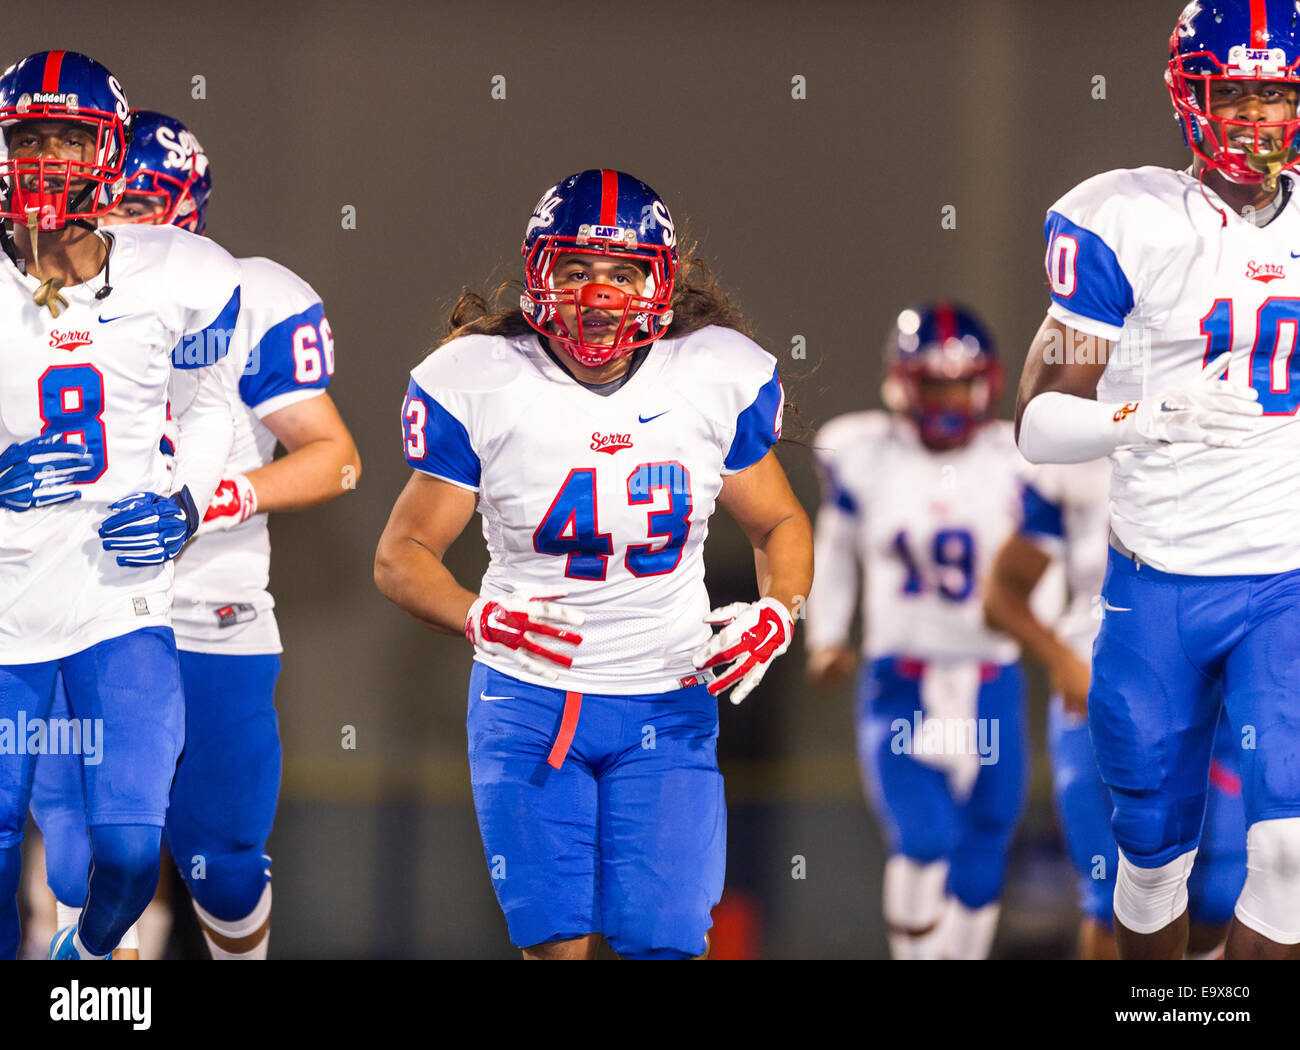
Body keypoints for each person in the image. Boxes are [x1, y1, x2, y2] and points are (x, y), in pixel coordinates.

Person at [374, 169, 811, 959]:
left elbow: (779, 520)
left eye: (622, 272)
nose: (598, 294)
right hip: (529, 696)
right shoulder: (482, 380)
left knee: (665, 942)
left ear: (660, 282)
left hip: (668, 696)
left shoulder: (714, 375)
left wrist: (781, 610)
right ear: (538, 274)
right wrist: (480, 615)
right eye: (575, 270)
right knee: (557, 947)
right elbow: (400, 556)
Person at [28, 109, 361, 960]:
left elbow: (335, 459)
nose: (120, 221)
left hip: (210, 610)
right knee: (85, 864)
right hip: (83, 607)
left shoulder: (238, 296)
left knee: (222, 861)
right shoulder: (35, 289)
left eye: (140, 201)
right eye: (112, 199)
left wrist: (207, 504)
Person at [1016, 0, 1300, 960]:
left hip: (1286, 579)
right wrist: (1150, 416)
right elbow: (1039, 425)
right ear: (1192, 94)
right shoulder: (1123, 217)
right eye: (1240, 91)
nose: (1259, 118)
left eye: (1277, 93)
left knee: (1292, 854)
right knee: (1148, 866)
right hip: (1159, 581)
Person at [0, 51, 239, 960]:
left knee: (134, 851)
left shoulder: (182, 272)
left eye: (66, 137)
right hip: (11, 591)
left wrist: (187, 504)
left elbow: (215, 403)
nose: (44, 159)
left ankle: (89, 958)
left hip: (126, 594)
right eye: (27, 137)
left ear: (110, 153)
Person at [806, 303, 1030, 960]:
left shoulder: (1017, 458)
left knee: (987, 835)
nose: (949, 398)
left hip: (992, 672)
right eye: (934, 384)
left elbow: (1043, 559)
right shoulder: (865, 453)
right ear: (905, 383)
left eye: (960, 383)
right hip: (900, 675)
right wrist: (825, 636)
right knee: (924, 836)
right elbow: (835, 550)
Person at [984, 459, 1247, 959]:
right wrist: (1060, 658)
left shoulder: (1247, 437)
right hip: (1106, 691)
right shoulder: (1080, 457)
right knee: (1114, 899)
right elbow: (1001, 592)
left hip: (1217, 694)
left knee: (1229, 891)